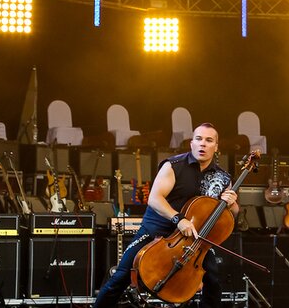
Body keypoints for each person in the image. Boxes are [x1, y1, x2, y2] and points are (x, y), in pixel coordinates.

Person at [94, 123, 239, 307]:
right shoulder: (174, 165)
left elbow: (232, 214)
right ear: (192, 143)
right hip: (158, 231)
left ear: (216, 147)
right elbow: (154, 198)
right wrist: (179, 219)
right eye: (198, 139)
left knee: (213, 280)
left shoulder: (222, 177)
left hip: (193, 238)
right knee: (121, 276)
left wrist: (232, 203)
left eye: (209, 140)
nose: (203, 143)